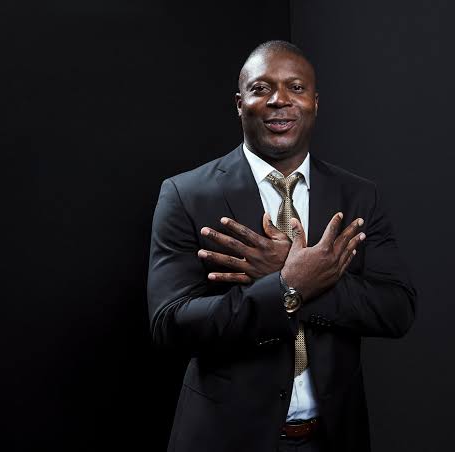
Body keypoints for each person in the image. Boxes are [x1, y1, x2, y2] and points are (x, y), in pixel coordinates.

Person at [147, 40, 417, 452]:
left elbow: (397, 310)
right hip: (225, 439)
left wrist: (302, 276)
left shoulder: (360, 196)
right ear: (240, 104)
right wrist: (286, 286)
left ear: (315, 103)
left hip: (332, 438)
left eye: (296, 87)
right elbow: (169, 325)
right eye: (261, 89)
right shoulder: (186, 195)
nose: (279, 100)